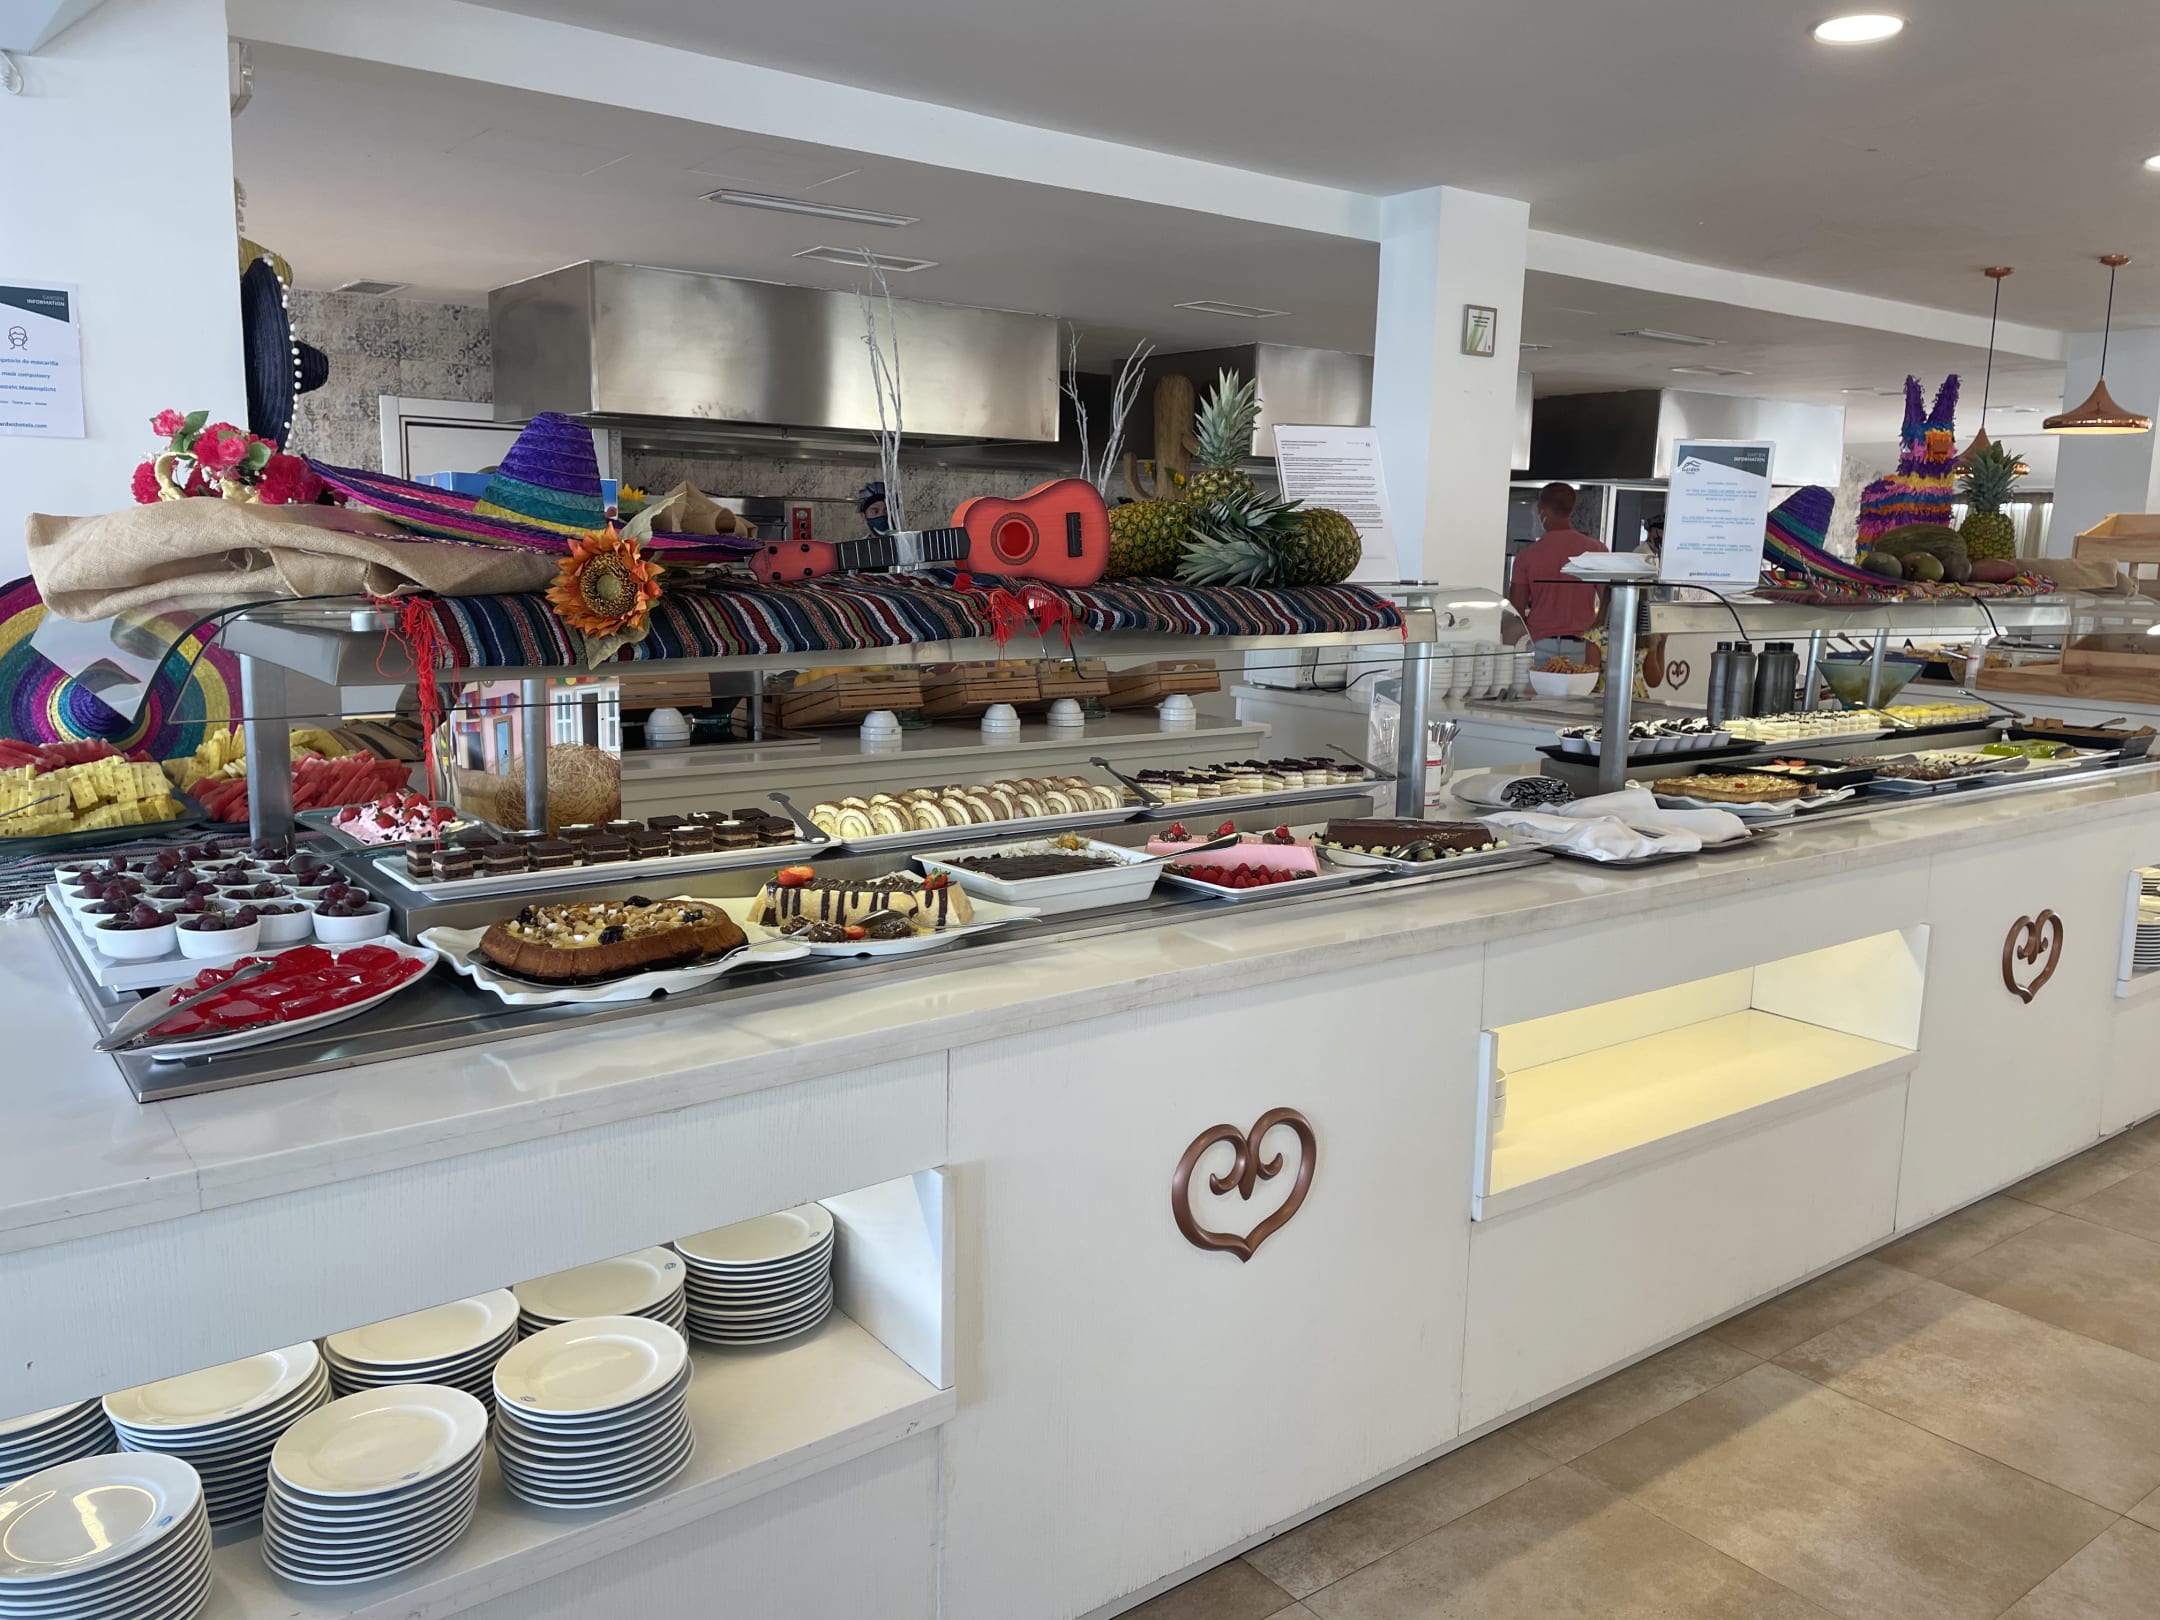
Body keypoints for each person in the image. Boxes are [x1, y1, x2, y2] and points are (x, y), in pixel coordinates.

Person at [1507, 483, 1607, 661]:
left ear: (1542, 511)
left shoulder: (1526, 557)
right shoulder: (1596, 550)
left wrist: (1511, 653)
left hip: (1540, 643)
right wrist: (1595, 632)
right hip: (1583, 644)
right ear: (1572, 509)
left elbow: (1516, 614)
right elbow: (1608, 602)